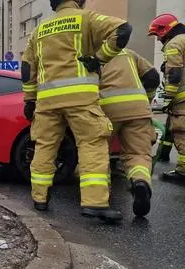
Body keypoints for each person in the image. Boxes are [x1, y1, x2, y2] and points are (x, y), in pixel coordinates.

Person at [21, 0, 132, 221]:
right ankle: (95, 204)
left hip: (47, 102)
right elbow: (123, 29)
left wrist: (29, 100)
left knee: (44, 147)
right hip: (80, 98)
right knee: (92, 145)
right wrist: (99, 59)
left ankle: (40, 198)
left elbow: (27, 66)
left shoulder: (39, 30)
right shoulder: (86, 18)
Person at [99, 48, 160, 217]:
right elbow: (153, 77)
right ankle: (140, 182)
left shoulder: (89, 52)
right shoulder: (126, 52)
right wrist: (146, 99)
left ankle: (100, 200)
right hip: (138, 108)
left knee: (99, 153)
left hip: (106, 108)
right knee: (138, 154)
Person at [148, 14, 185, 181]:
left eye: (157, 35)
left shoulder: (174, 44)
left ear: (165, 30)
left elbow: (175, 74)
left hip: (183, 99)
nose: (158, 40)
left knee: (181, 131)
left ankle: (183, 172)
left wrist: (167, 98)